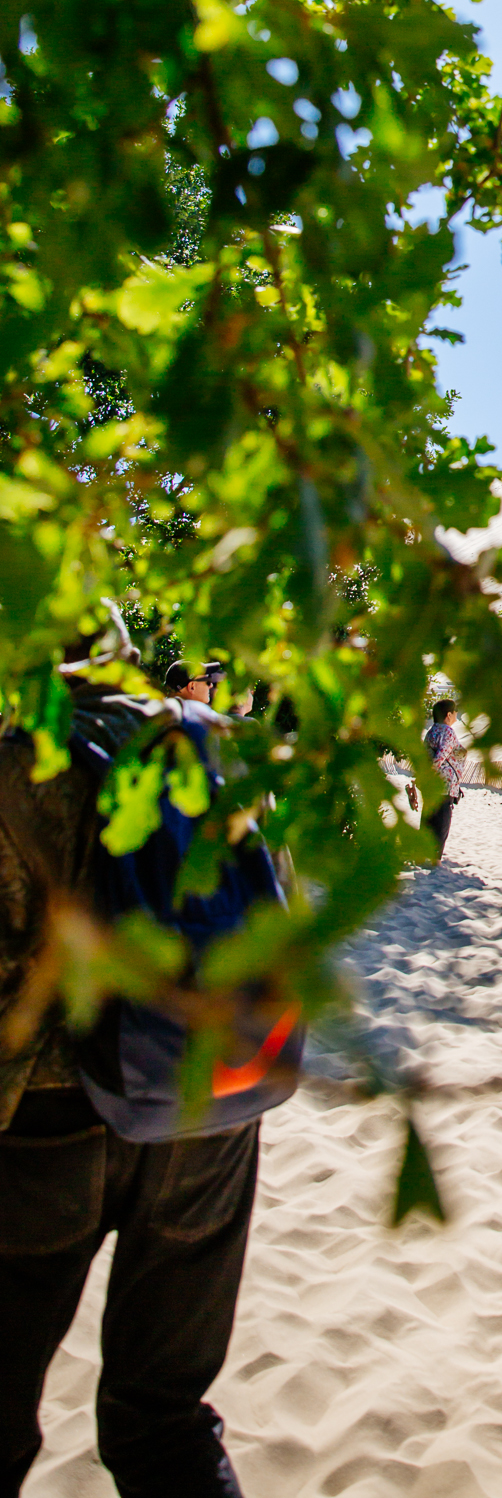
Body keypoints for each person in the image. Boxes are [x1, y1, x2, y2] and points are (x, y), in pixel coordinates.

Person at [0, 637, 261, 1497]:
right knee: (166, 1419)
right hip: (209, 1097)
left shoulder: (18, 754)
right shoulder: (206, 737)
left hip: (48, 1122)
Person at [418, 699, 466, 861]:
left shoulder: (432, 731)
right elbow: (442, 754)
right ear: (448, 715)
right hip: (444, 784)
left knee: (429, 818)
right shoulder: (448, 731)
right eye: (455, 712)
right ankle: (434, 858)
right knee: (442, 822)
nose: (456, 716)